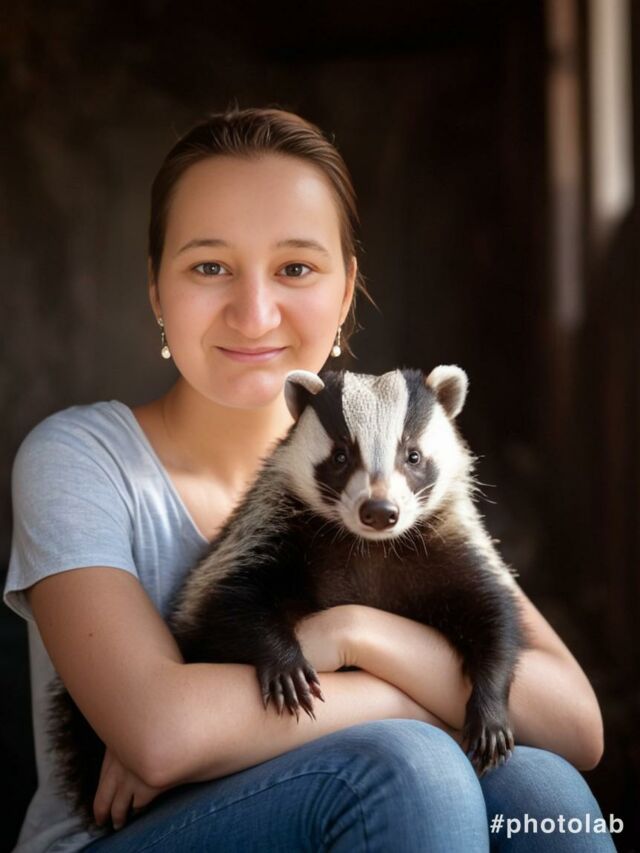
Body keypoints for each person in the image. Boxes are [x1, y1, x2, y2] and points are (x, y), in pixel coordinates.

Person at [3, 107, 615, 852]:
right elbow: (162, 737)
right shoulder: (80, 458)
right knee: (417, 766)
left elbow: (574, 724)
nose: (254, 312)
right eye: (209, 266)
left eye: (295, 267)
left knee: (540, 788)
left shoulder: (404, 479)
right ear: (156, 289)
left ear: (348, 288)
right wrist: (422, 697)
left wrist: (349, 637)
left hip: (342, 797)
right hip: (117, 837)